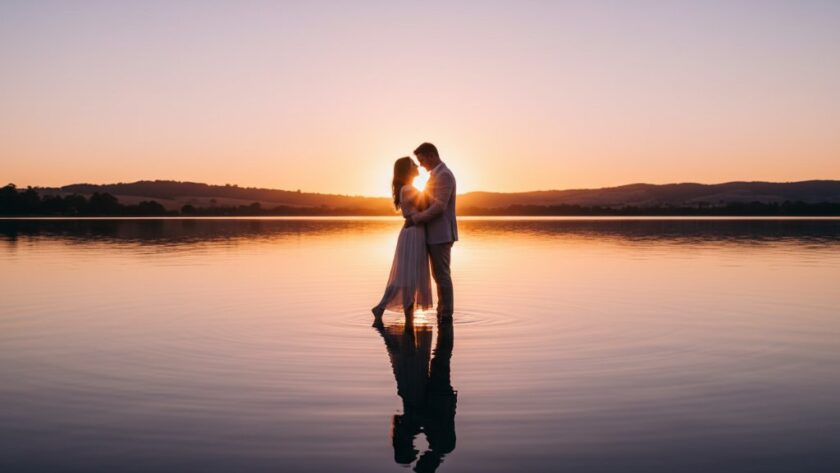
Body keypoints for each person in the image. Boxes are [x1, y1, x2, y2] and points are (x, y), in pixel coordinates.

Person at [372, 157, 434, 318]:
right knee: (408, 275)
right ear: (408, 169)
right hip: (413, 234)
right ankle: (393, 310)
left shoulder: (409, 188)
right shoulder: (408, 189)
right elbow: (427, 205)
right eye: (414, 164)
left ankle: (395, 312)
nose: (417, 166)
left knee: (408, 274)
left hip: (414, 233)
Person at [405, 142, 458, 321]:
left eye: (422, 160)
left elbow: (439, 207)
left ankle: (446, 315)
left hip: (441, 235)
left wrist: (415, 219)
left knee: (442, 276)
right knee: (439, 276)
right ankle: (442, 313)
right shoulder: (435, 175)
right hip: (433, 235)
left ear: (431, 156)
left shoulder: (444, 176)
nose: (421, 165)